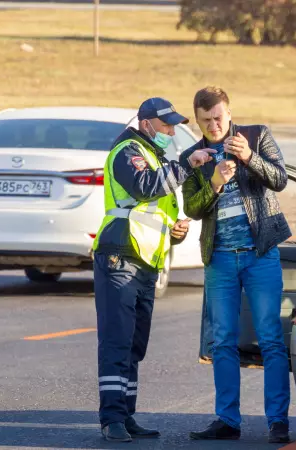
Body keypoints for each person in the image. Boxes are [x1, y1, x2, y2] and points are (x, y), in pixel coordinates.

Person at [92, 97, 215, 442]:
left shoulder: (152, 154)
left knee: (134, 345)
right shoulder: (128, 151)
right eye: (165, 126)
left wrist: (174, 232)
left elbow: (153, 210)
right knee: (117, 342)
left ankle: (126, 415)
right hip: (120, 257)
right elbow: (145, 187)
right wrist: (187, 164)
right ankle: (111, 419)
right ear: (146, 123)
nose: (171, 132)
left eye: (174, 126)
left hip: (145, 261)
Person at [181, 86, 292, 444]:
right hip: (221, 258)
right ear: (197, 120)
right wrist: (214, 183)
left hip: (260, 254)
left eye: (218, 117)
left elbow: (280, 179)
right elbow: (192, 209)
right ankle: (227, 421)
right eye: (206, 120)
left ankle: (278, 421)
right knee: (223, 341)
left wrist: (249, 158)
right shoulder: (193, 156)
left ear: (229, 113)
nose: (214, 125)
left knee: (271, 338)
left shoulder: (257, 136)